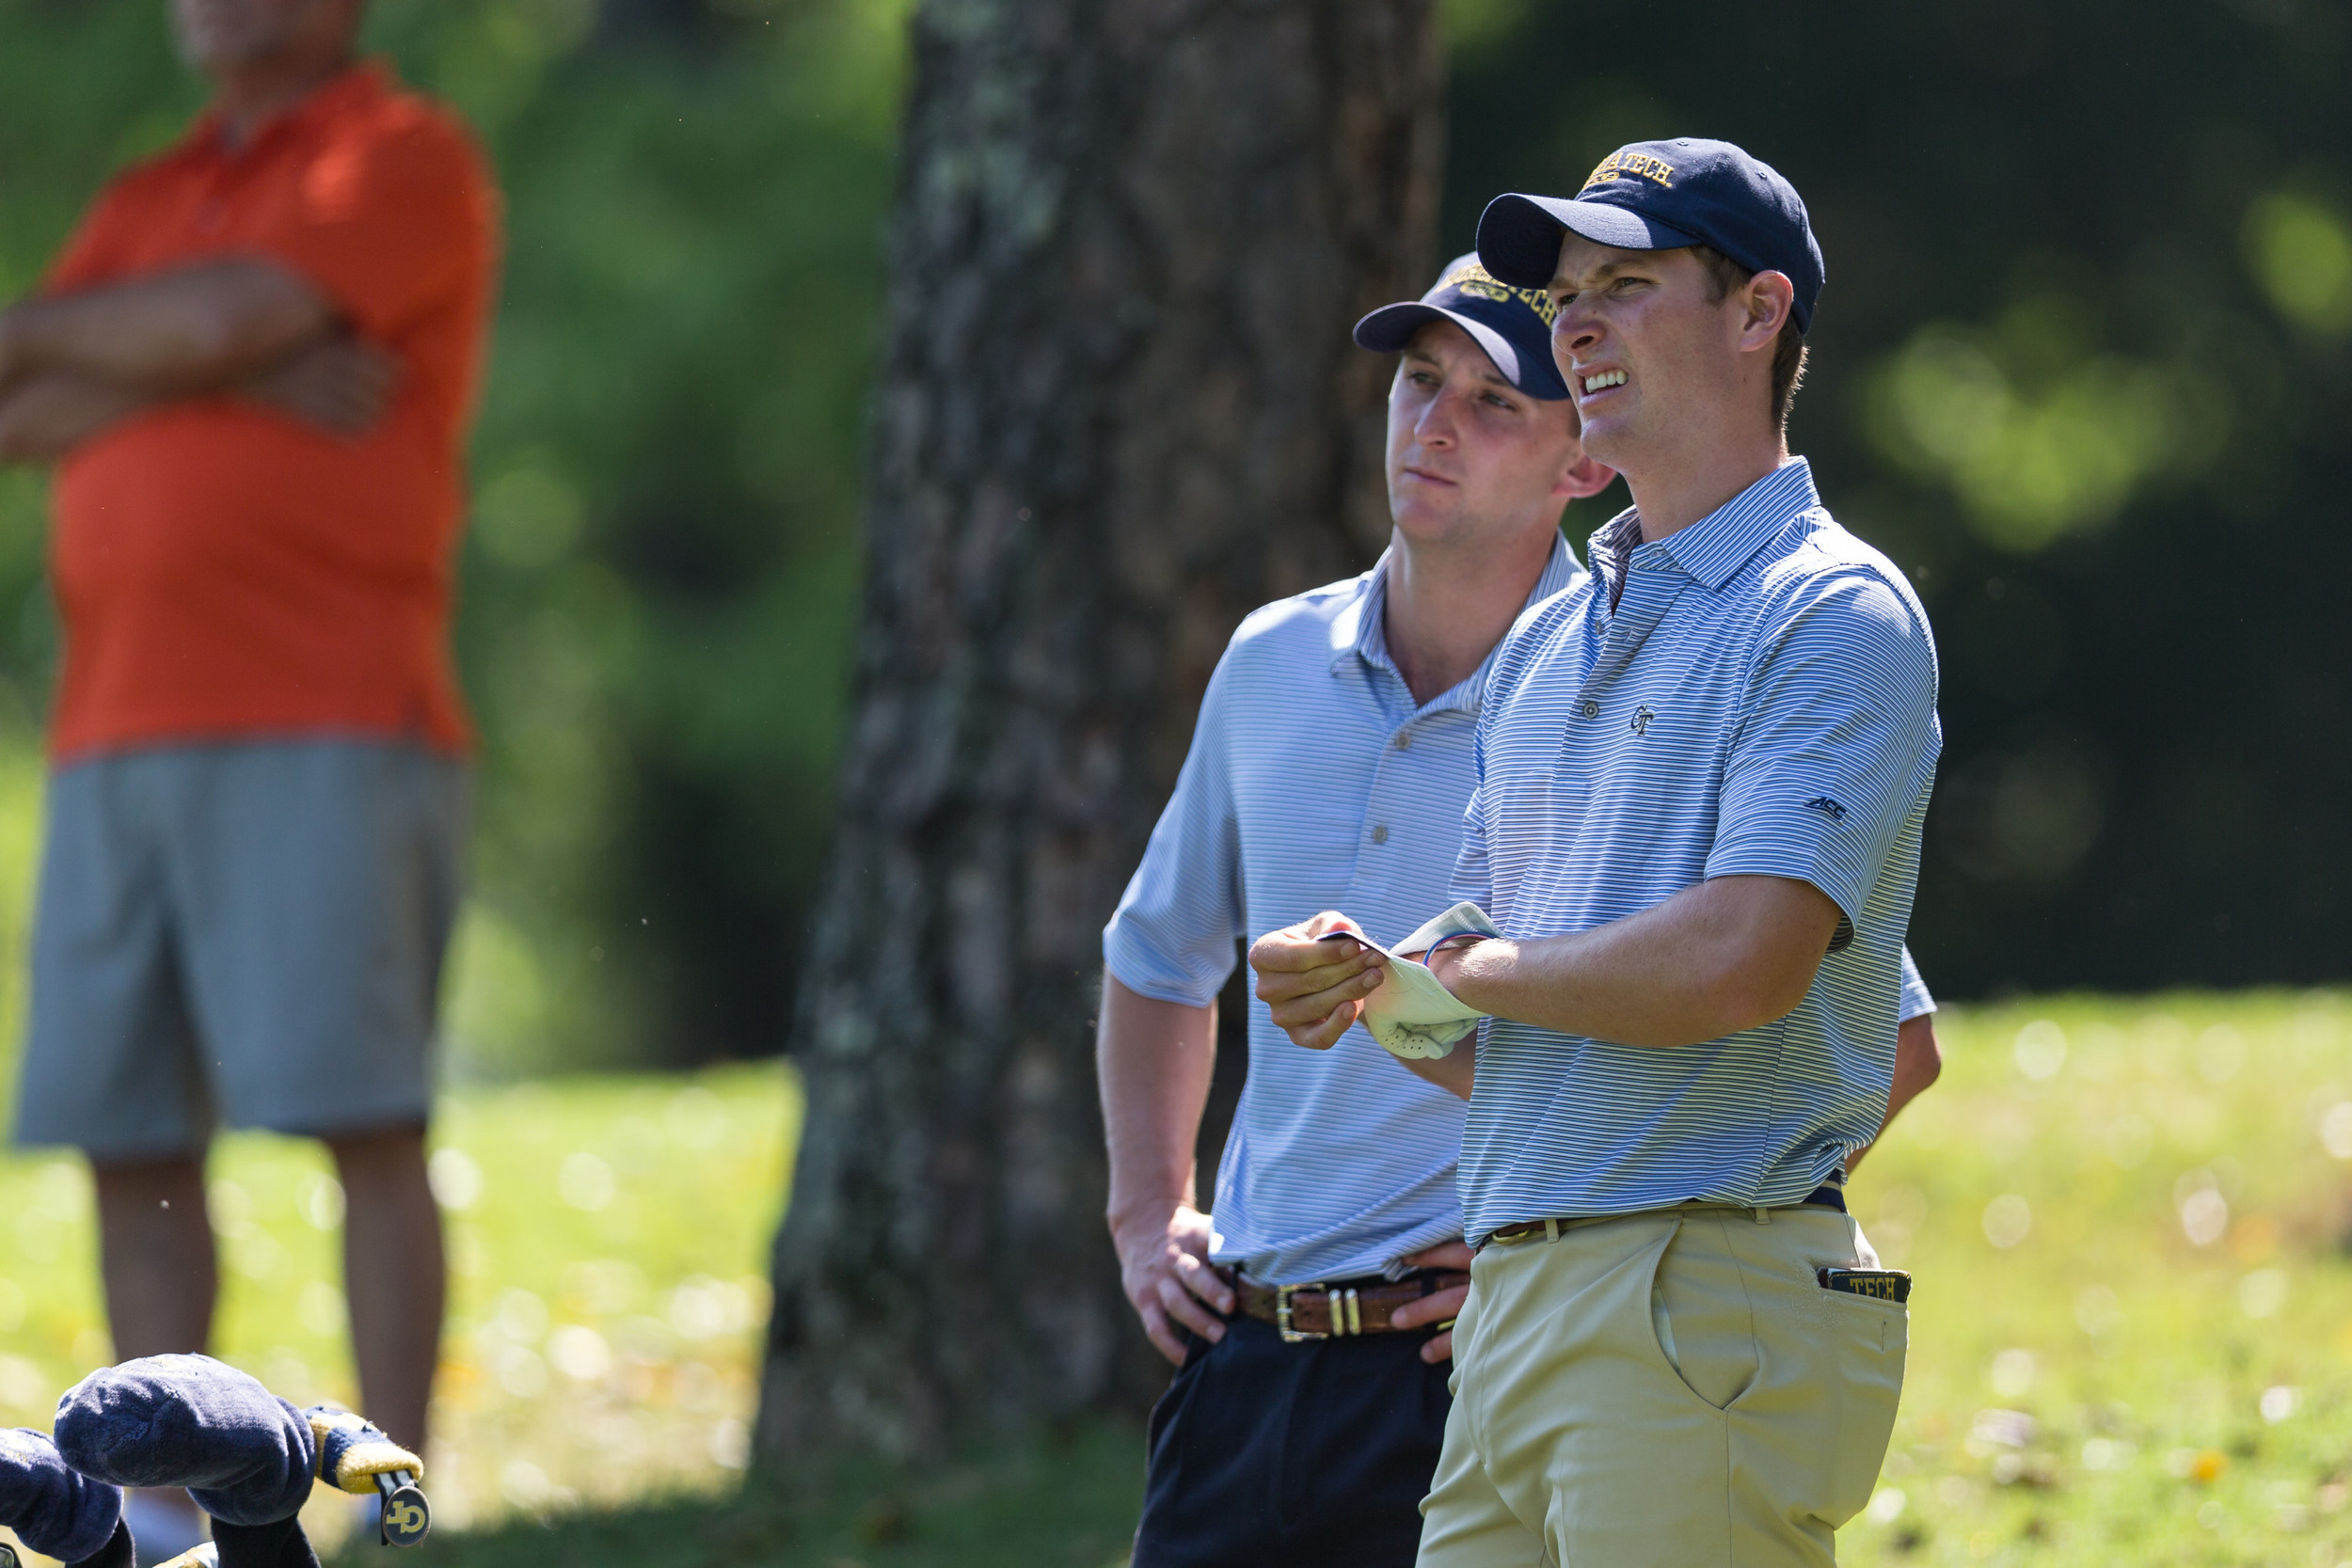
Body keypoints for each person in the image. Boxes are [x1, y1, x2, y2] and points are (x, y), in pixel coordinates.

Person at [1104, 251, 1939, 1567]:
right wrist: (1154, 1212)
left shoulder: (1731, 636)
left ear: (1582, 459)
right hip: (1261, 1346)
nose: (1433, 424)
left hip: (1486, 1333)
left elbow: (1857, 1029)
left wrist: (1582, 1218)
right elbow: (1162, 957)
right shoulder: (1295, 661)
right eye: (1420, 382)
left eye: (1495, 402)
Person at [0, 0, 497, 1556]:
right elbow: (19, 398)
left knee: (364, 1119)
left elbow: (200, 323)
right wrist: (222, 369)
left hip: (330, 713)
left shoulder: (402, 157)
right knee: (128, 1131)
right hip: (110, 728)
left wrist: (190, 346)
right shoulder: (145, 198)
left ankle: (393, 1511)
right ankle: (164, 1525)